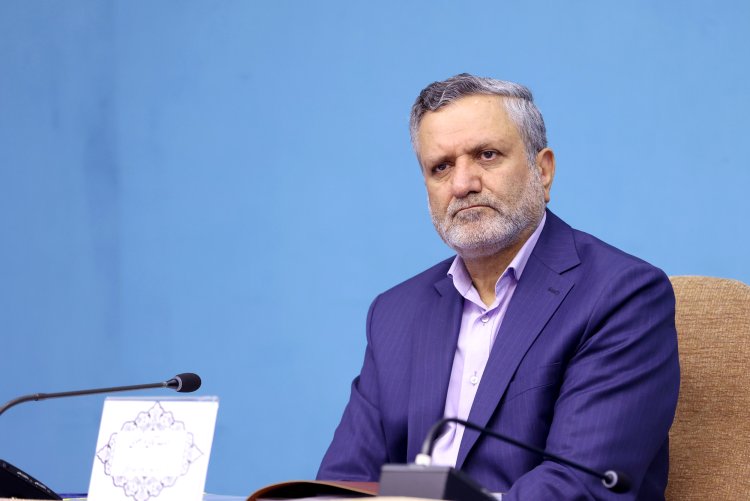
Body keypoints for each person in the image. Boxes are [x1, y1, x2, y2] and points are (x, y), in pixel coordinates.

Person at [317, 74, 680, 500]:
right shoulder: (395, 313)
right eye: (441, 167)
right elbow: (342, 484)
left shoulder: (621, 295)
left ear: (543, 171)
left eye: (486, 155)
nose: (462, 185)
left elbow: (582, 487)